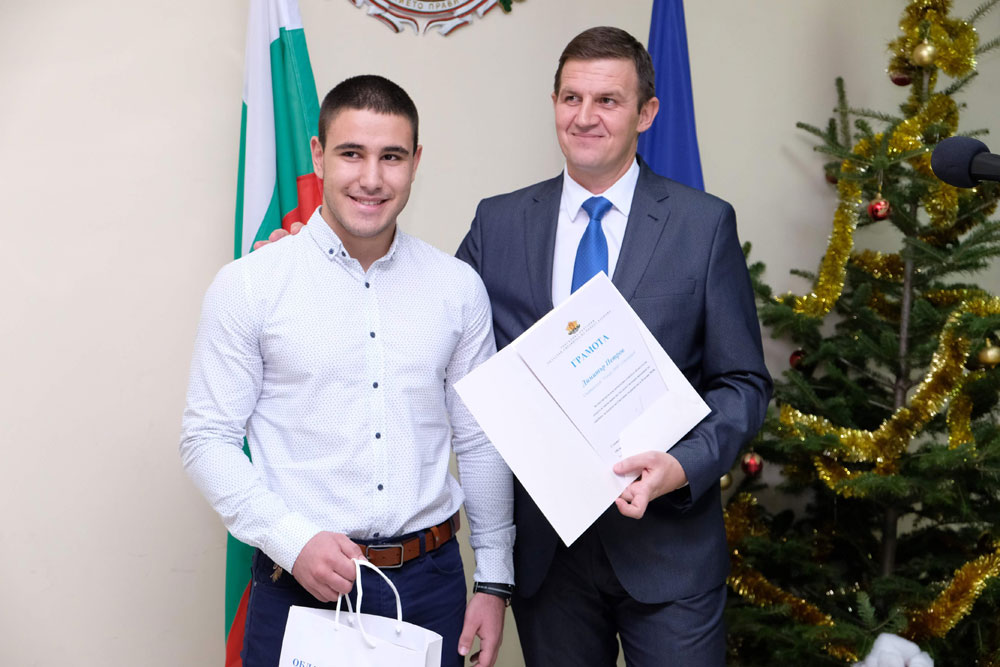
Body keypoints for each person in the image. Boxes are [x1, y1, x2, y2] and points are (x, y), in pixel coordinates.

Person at [455, 27, 772, 666]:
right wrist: (314, 255)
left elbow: (743, 384)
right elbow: (433, 322)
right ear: (553, 103)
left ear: (646, 113)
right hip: (548, 558)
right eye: (571, 98)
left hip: (669, 553)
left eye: (607, 101)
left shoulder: (703, 225)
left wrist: (679, 467)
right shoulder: (499, 222)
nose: (585, 117)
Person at [179, 75, 514, 667]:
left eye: (392, 157)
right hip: (297, 582)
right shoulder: (250, 286)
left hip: (431, 585)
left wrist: (493, 580)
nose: (372, 178)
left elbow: (480, 440)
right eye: (351, 154)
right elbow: (207, 440)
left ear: (415, 162)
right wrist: (292, 540)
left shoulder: (457, 288)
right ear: (318, 155)